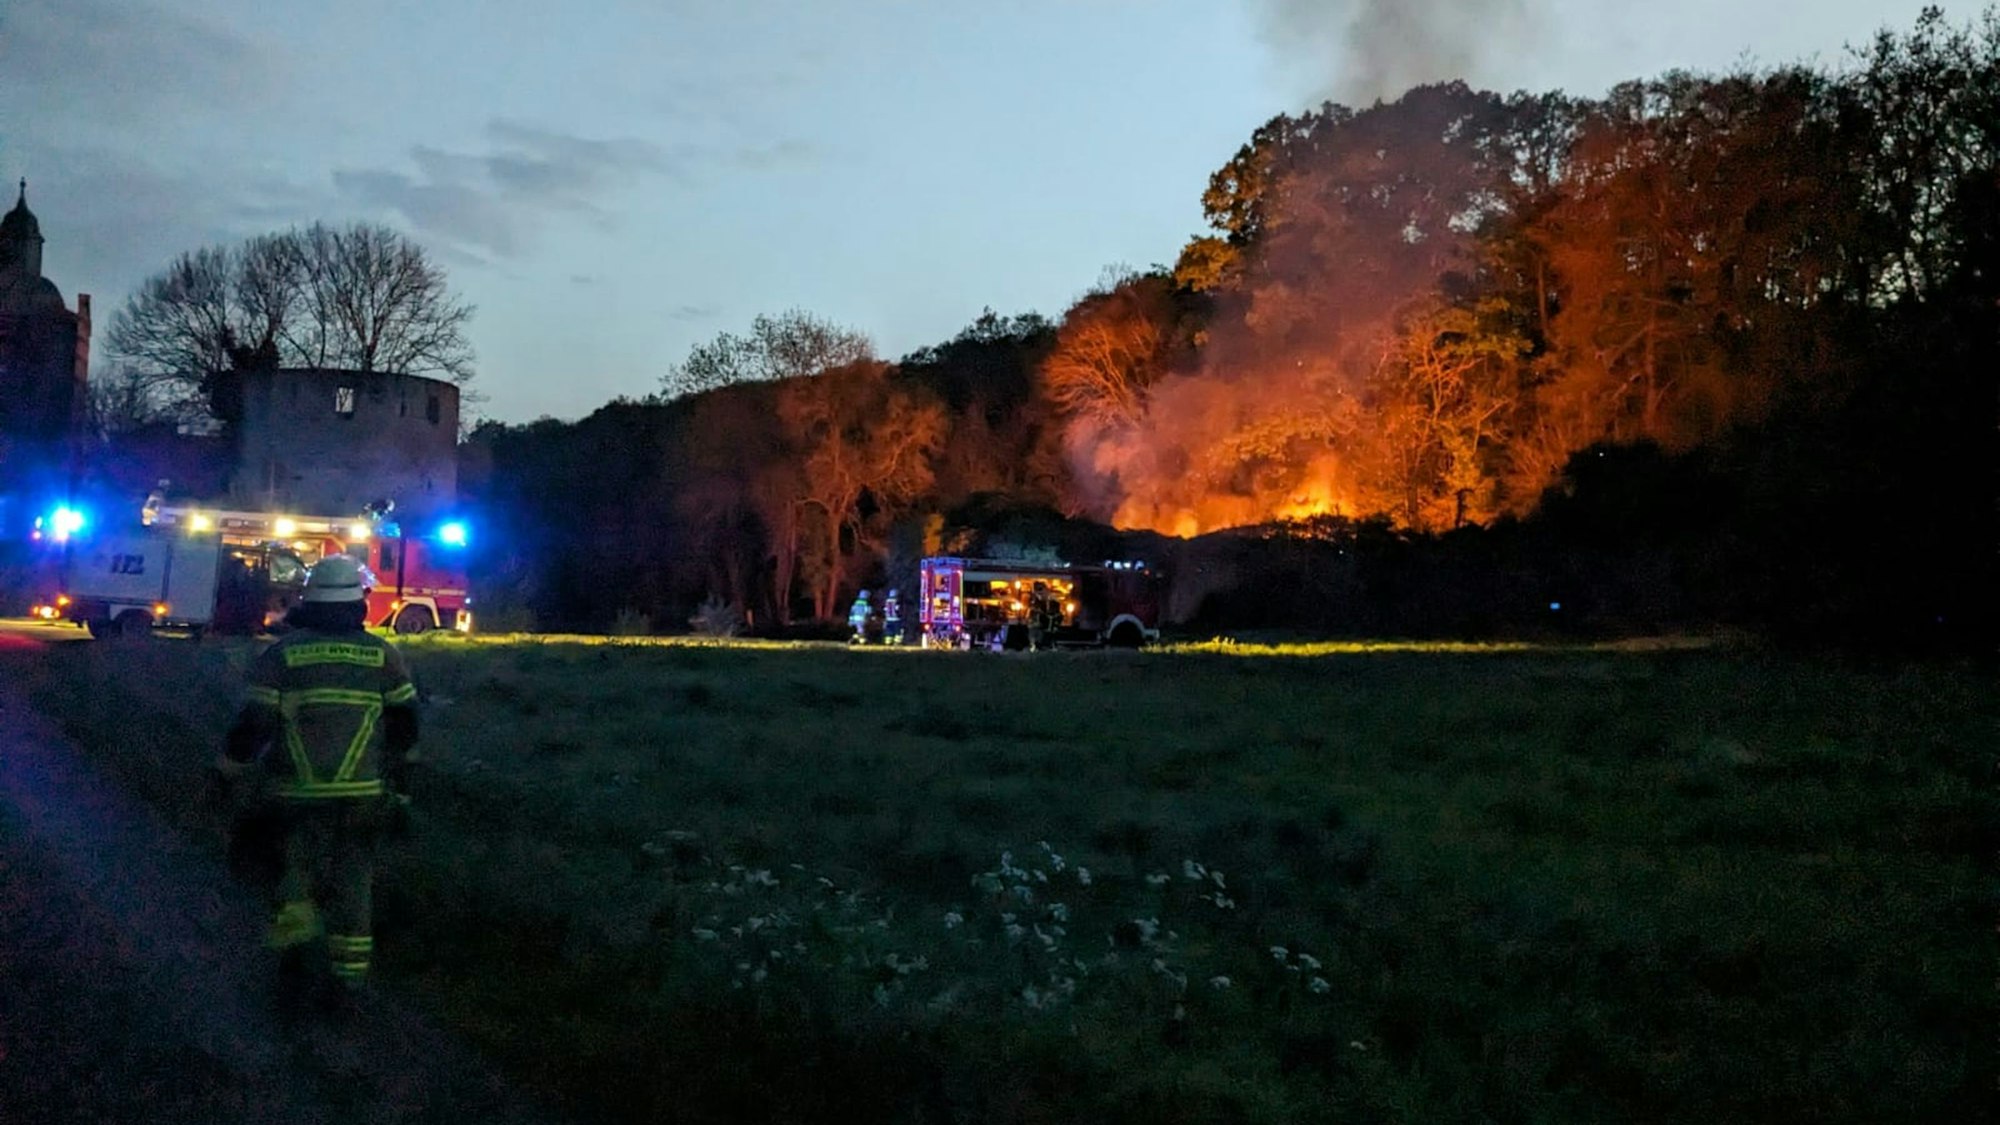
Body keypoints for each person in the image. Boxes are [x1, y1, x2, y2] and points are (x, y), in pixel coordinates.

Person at [210, 553, 420, 1011]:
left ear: (310, 603)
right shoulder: (385, 656)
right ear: (358, 606)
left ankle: (295, 968)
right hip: (363, 798)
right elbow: (404, 731)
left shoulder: (283, 655)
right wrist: (401, 795)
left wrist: (226, 774)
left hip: (296, 797)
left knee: (295, 879)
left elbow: (254, 725)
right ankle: (347, 986)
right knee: (354, 886)